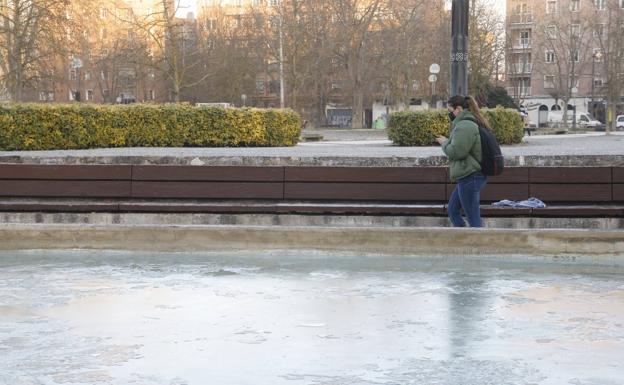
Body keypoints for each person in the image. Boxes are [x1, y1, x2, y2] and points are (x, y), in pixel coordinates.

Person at [436, 95, 488, 228]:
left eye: (450, 110)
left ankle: (478, 245)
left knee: (473, 218)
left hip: (471, 176)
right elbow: (460, 147)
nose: (449, 114)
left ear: (458, 109)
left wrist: (444, 143)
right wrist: (448, 142)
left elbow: (457, 152)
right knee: (453, 211)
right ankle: (464, 239)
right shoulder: (464, 123)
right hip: (466, 176)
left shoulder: (465, 125)